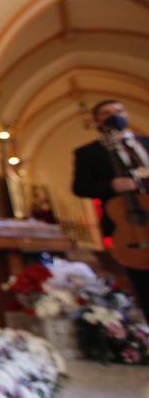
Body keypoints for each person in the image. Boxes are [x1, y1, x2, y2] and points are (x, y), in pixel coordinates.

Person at [72, 99, 149, 318]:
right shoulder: (89, 153)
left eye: (118, 111)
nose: (114, 116)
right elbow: (80, 187)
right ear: (96, 121)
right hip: (128, 226)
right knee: (143, 281)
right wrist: (110, 185)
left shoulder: (146, 143)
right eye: (106, 113)